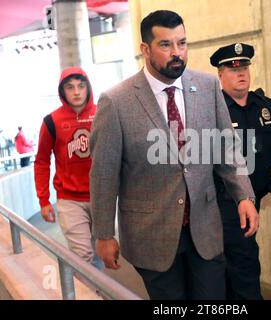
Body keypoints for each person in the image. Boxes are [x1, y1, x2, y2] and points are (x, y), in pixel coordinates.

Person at [90, 10, 259, 300]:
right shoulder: (115, 102)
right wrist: (104, 233)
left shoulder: (207, 87)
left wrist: (244, 195)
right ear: (145, 49)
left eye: (182, 43)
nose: (177, 52)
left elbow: (226, 147)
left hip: (204, 229)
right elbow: (104, 174)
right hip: (150, 235)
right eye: (166, 45)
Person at [210, 43, 271, 300]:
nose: (240, 73)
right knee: (244, 263)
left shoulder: (264, 106)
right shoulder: (213, 110)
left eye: (244, 67)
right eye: (233, 69)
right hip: (227, 201)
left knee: (232, 264)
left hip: (256, 198)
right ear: (220, 75)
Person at [34, 66, 103, 270]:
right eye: (70, 87)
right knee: (83, 256)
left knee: (100, 252)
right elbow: (42, 161)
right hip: (69, 199)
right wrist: (43, 199)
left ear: (88, 88)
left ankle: (96, 291)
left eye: (81, 86)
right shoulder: (51, 122)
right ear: (62, 91)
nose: (76, 92)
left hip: (100, 197)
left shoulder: (102, 113)